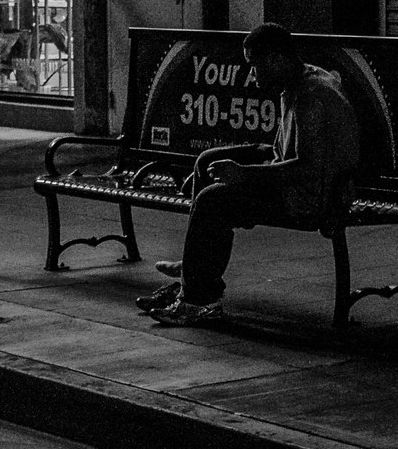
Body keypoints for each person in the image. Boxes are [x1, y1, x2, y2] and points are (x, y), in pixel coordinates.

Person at [143, 22, 361, 328]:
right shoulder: (298, 81)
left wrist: (244, 174)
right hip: (299, 185)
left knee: (213, 201)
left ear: (274, 59)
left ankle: (197, 299)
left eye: (256, 66)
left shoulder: (311, 97)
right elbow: (282, 151)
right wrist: (229, 164)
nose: (254, 74)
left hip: (314, 198)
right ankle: (193, 277)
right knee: (208, 164)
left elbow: (307, 169)